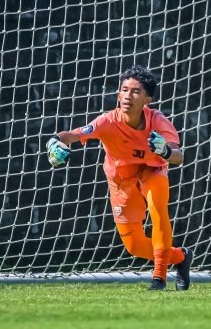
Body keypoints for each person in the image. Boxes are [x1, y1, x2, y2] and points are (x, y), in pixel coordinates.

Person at [45, 65, 193, 291]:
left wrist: (164, 152)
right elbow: (73, 134)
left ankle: (159, 278)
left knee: (158, 206)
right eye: (124, 90)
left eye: (135, 91)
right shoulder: (107, 121)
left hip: (151, 171)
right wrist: (54, 141)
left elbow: (178, 156)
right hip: (121, 181)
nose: (127, 96)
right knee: (135, 246)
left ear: (147, 100)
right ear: (117, 95)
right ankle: (180, 257)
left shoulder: (158, 121)